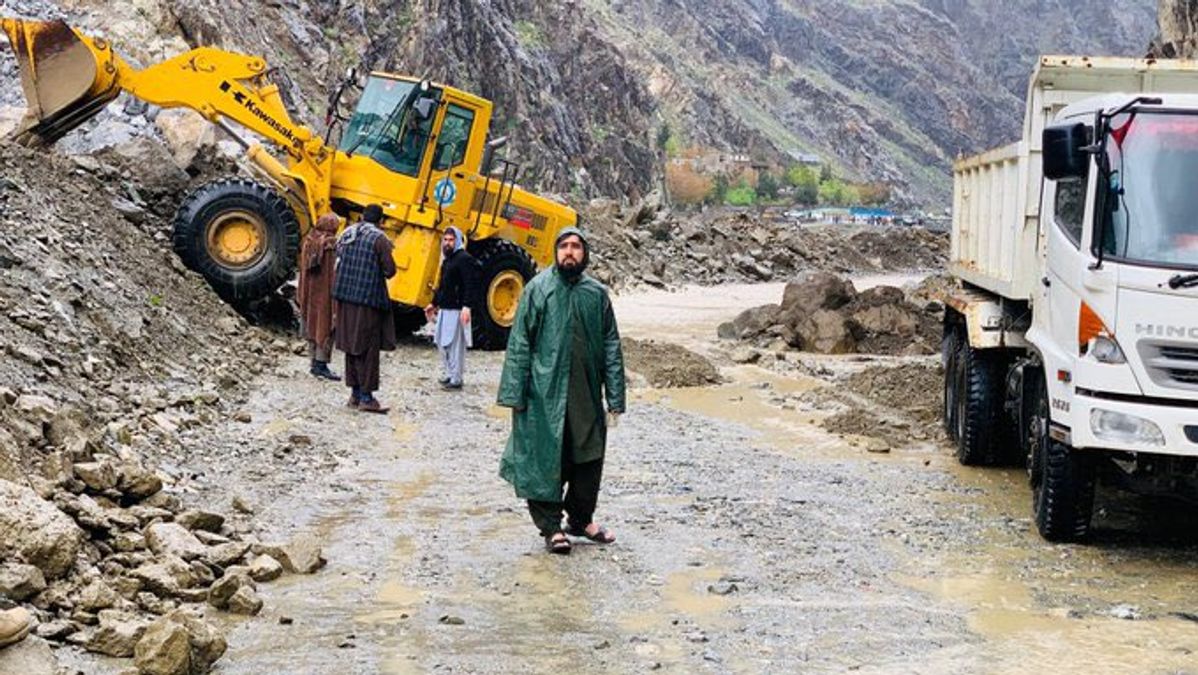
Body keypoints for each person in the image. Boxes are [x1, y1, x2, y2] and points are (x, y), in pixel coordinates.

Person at [497, 227, 626, 554]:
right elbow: (519, 342)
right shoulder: (538, 289)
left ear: (585, 253)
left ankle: (581, 519)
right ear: (556, 251)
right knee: (544, 458)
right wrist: (514, 392)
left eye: (576, 246)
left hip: (585, 393)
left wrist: (615, 397)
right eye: (564, 246)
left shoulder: (596, 295)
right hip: (543, 393)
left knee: (588, 456)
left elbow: (611, 344)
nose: (570, 251)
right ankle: (551, 527)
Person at [333, 204, 397, 413]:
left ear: (361, 217)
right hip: (367, 301)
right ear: (381, 221)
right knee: (367, 349)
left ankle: (354, 394)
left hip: (344, 298)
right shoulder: (379, 239)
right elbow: (390, 270)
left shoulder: (347, 234)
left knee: (351, 346)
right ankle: (366, 398)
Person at [425, 226, 480, 390]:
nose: (447, 243)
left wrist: (467, 306)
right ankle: (449, 373)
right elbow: (443, 285)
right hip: (445, 308)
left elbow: (470, 284)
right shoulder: (448, 260)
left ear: (457, 241)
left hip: (457, 309)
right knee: (442, 343)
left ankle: (456, 378)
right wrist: (434, 303)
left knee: (455, 346)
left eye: (451, 240)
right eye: (446, 240)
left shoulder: (464, 259)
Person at [298, 213, 341, 381]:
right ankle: (320, 364)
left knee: (312, 324)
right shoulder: (330, 245)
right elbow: (332, 273)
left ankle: (313, 362)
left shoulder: (308, 242)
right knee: (324, 325)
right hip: (324, 294)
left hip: (309, 292)